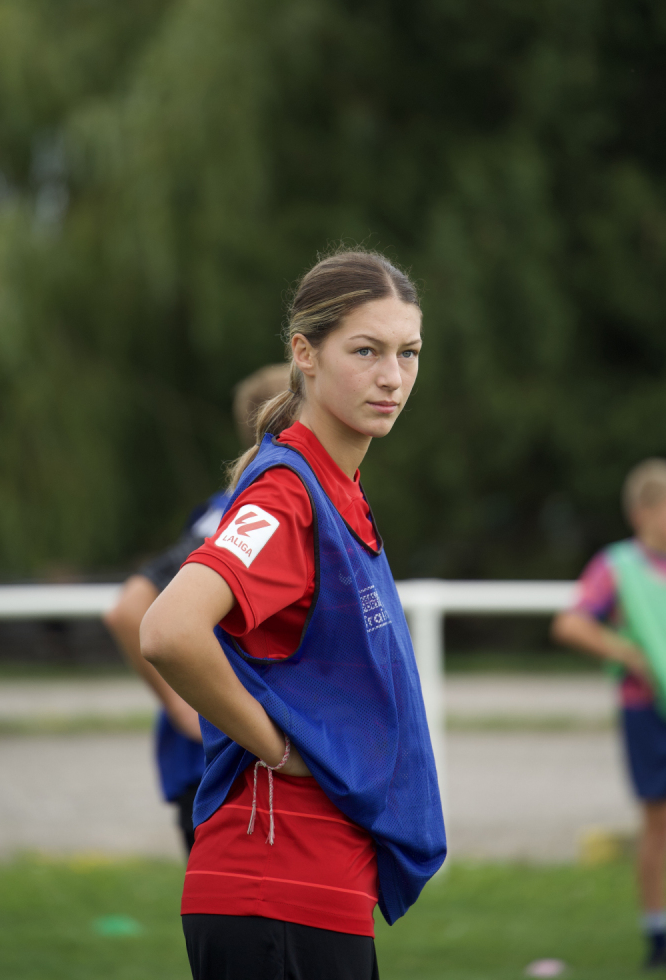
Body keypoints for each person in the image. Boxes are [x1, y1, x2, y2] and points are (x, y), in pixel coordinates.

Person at [140, 248, 446, 980]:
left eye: (408, 353)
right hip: (274, 886)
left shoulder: (337, 488)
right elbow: (167, 629)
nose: (392, 376)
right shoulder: (286, 495)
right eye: (366, 351)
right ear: (304, 354)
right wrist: (278, 748)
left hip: (319, 887)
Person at [104, 364, 290, 854]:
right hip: (224, 765)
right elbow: (130, 609)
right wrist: (184, 707)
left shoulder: (246, 506)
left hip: (233, 761)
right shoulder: (247, 517)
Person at [552, 458, 666, 971]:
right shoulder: (617, 567)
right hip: (647, 712)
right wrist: (630, 656)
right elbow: (572, 625)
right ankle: (659, 936)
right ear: (642, 514)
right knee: (658, 825)